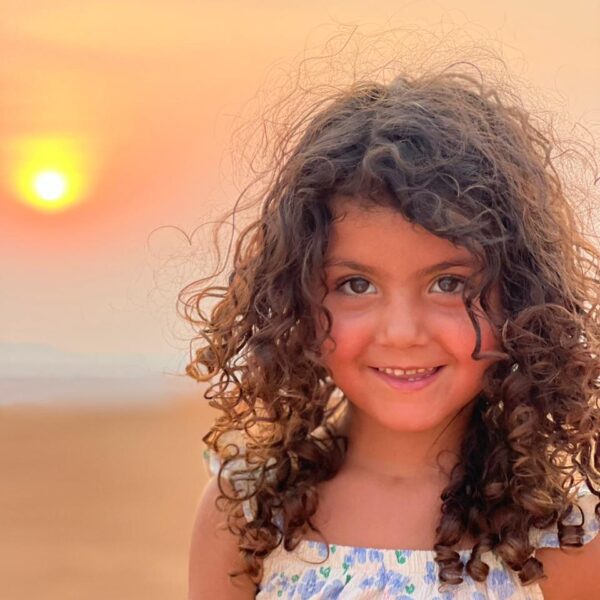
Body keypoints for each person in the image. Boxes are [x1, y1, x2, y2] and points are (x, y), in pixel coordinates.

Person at [184, 62, 600, 599]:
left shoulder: (562, 532)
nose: (402, 333)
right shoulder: (248, 512)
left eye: (449, 283)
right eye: (356, 285)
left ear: (519, 299)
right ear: (298, 300)